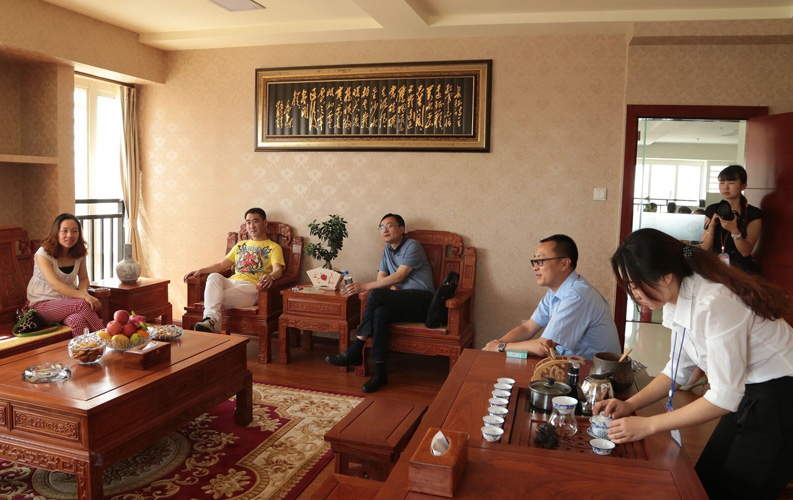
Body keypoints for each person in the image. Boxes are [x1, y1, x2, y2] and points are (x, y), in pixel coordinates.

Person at [597, 228, 793, 499]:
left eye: (635, 284)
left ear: (665, 276)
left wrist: (648, 425)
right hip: (747, 390)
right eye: (629, 285)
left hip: (781, 396)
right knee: (704, 482)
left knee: (739, 489)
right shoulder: (675, 297)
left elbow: (723, 398)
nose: (634, 294)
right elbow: (678, 369)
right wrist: (630, 405)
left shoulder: (714, 302)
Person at [325, 213, 434, 393]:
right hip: (403, 301)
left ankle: (356, 349)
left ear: (401, 229)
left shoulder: (412, 245)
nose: (385, 230)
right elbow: (381, 278)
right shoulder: (387, 251)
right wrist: (390, 289)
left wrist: (364, 287)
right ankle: (380, 372)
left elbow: (399, 276)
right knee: (380, 312)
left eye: (389, 226)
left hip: (423, 300)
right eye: (381, 227)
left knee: (375, 293)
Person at [483, 235, 620, 359]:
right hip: (568, 366)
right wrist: (496, 345)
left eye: (541, 261)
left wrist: (500, 347)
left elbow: (543, 347)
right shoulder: (554, 292)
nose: (535, 268)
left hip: (593, 373)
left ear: (564, 264)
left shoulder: (577, 296)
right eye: (534, 261)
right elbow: (528, 328)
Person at [184, 208, 284, 333]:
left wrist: (271, 276)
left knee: (213, 299)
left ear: (264, 223)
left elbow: (278, 270)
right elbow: (221, 265)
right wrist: (200, 270)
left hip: (251, 287)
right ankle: (211, 321)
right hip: (232, 282)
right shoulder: (240, 245)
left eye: (255, 221)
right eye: (248, 222)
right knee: (213, 276)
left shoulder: (274, 247)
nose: (251, 226)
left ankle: (211, 321)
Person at [26, 213, 104, 335]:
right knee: (82, 304)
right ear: (56, 232)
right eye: (64, 231)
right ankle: (106, 338)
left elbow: (84, 278)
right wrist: (84, 297)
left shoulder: (79, 252)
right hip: (41, 305)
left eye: (74, 231)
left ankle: (86, 348)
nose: (70, 235)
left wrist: (83, 292)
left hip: (67, 303)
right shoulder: (43, 254)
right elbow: (55, 285)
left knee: (78, 321)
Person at [700, 165, 763, 273]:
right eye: (722, 182)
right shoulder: (712, 209)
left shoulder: (753, 214)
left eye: (731, 183)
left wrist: (734, 231)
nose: (725, 187)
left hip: (741, 270)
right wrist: (712, 226)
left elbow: (746, 252)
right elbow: (705, 247)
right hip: (715, 267)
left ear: (743, 186)